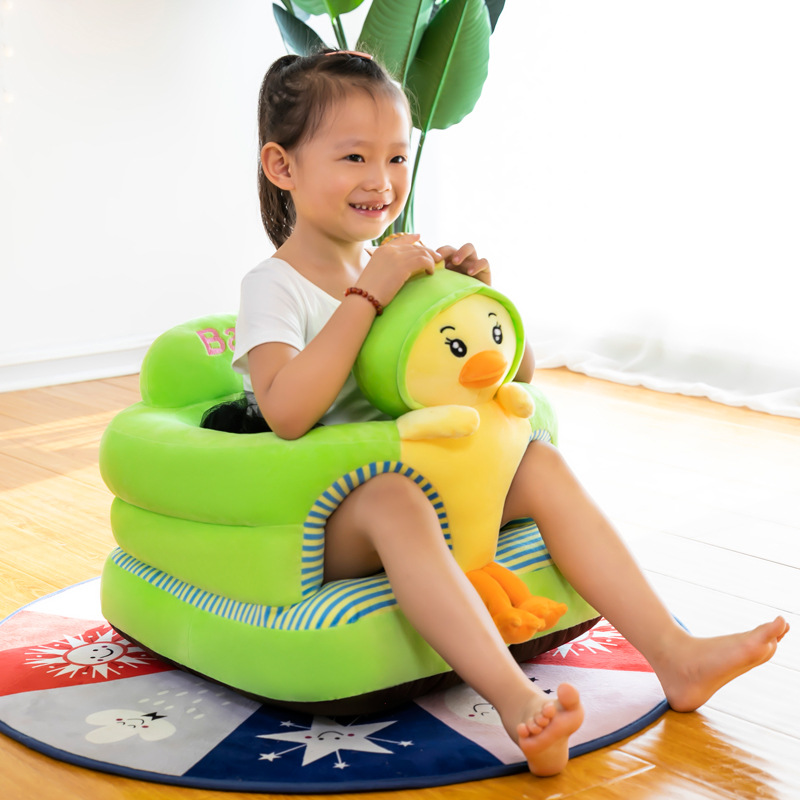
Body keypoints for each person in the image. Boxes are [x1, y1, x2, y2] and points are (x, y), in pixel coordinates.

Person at [230, 49, 788, 777]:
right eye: (354, 156)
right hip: (331, 513)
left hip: (435, 482)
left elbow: (507, 383)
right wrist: (368, 296)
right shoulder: (275, 285)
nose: (381, 180)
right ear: (282, 166)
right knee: (395, 498)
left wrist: (482, 308)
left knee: (538, 460)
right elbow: (285, 411)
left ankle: (675, 655)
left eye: (397, 157)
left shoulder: (399, 266)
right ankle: (519, 705)